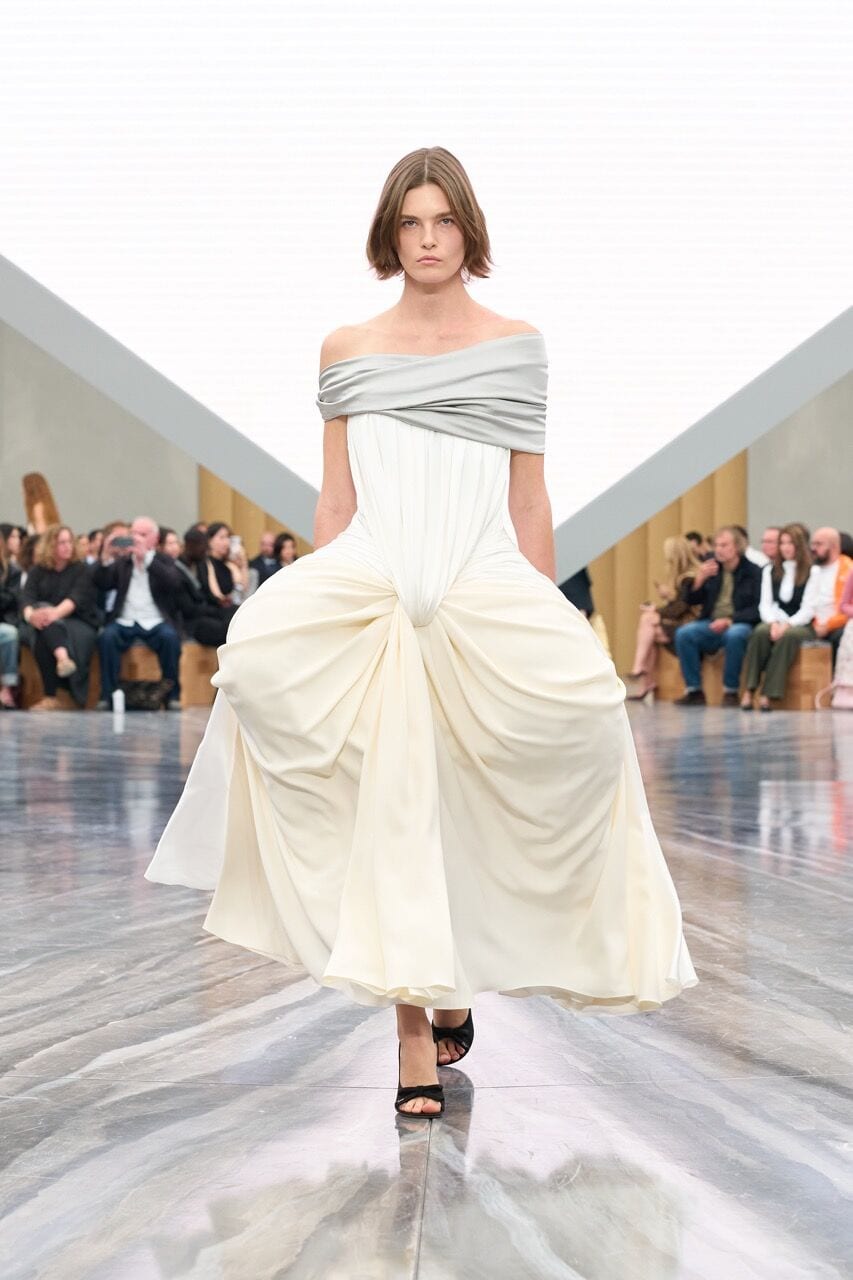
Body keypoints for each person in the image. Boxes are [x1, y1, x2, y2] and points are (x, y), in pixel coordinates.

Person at [144, 146, 697, 1119]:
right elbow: (337, 496)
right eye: (411, 222)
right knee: (384, 801)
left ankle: (450, 970)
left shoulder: (516, 344)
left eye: (443, 221)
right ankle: (410, 1029)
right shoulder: (347, 347)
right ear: (388, 234)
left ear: (467, 229)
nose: (428, 239)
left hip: (480, 581)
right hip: (373, 579)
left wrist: (541, 615)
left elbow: (528, 498)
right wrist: (327, 614)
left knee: (505, 772)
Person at [94, 516, 184, 709]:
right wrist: (105, 555)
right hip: (125, 620)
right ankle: (107, 695)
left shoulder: (163, 560)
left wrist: (147, 559)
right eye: (133, 534)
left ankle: (172, 695)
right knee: (107, 637)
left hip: (155, 620)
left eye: (142, 534)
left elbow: (174, 583)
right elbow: (102, 582)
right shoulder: (123, 562)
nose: (136, 538)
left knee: (170, 639)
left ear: (154, 538)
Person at [674, 525, 762, 705]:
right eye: (716, 545)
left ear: (737, 547)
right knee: (684, 634)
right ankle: (694, 690)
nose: (718, 550)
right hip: (711, 622)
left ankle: (731, 691)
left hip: (739, 622)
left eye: (724, 545)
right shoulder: (712, 568)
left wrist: (730, 620)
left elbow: (757, 609)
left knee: (735, 635)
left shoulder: (754, 572)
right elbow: (691, 600)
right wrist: (699, 579)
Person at [19, 524, 99, 709]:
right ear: (50, 546)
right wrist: (31, 616)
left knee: (45, 626)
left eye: (69, 542)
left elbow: (75, 599)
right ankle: (62, 660)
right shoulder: (38, 570)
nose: (67, 546)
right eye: (61, 543)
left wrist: (51, 614)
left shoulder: (81, 569)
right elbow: (26, 598)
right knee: (42, 629)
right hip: (45, 623)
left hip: (78, 620)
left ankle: (52, 695)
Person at [741, 523, 820, 710]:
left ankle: (769, 692)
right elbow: (765, 604)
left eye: (790, 543)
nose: (785, 547)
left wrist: (787, 625)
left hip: (801, 624)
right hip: (775, 620)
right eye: (782, 543)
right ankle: (749, 689)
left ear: (800, 545)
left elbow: (809, 608)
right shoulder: (770, 570)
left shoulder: (812, 571)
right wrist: (773, 623)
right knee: (760, 632)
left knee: (789, 637)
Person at [624, 536, 702, 700]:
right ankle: (645, 681)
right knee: (649, 629)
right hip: (682, 622)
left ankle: (640, 671)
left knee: (648, 620)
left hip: (689, 625)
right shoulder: (683, 576)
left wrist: (657, 610)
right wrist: (668, 597)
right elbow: (680, 604)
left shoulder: (688, 578)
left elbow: (681, 608)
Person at [808, 527, 853, 668]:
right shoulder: (811, 569)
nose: (813, 548)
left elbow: (845, 607)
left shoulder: (848, 568)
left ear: (834, 546)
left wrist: (828, 626)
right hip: (812, 622)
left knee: (841, 636)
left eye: (819, 544)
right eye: (812, 544)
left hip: (839, 624)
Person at [0, 528, 23, 708]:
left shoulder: (12, 571)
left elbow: (10, 600)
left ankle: (7, 688)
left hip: (3, 621)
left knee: (10, 634)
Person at [206, 522, 251, 605]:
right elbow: (217, 596)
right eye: (222, 537)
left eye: (228, 537)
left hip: (231, 605)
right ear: (209, 541)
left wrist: (244, 562)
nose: (226, 542)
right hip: (217, 607)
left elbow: (243, 588)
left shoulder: (228, 564)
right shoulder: (206, 563)